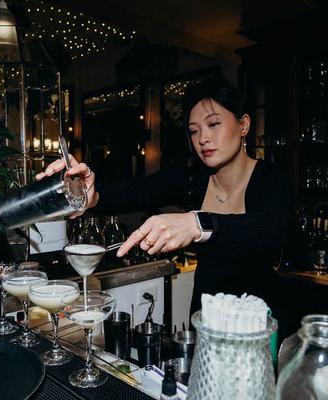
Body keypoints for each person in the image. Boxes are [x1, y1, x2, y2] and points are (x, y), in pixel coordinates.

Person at [37, 77, 294, 340]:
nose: (203, 138)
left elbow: (270, 231)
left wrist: (197, 224)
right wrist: (90, 194)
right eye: (194, 131)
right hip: (205, 323)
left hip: (261, 327)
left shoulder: (272, 180)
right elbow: (138, 192)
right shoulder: (193, 176)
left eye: (214, 124)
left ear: (243, 125)